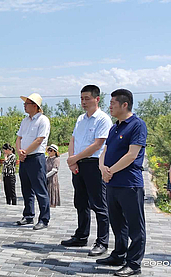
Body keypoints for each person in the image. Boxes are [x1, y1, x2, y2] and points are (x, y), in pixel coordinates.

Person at [96, 89, 147, 277]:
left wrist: (110, 171)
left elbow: (132, 155)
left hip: (129, 183)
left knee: (135, 225)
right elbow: (105, 151)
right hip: (112, 183)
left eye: (112, 103)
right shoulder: (114, 127)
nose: (110, 106)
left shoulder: (137, 125)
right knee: (117, 222)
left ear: (124, 104)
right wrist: (103, 168)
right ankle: (119, 254)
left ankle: (133, 264)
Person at [62, 85, 112, 257]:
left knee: (99, 204)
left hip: (94, 164)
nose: (84, 102)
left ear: (97, 99)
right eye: (82, 98)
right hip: (78, 165)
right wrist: (72, 161)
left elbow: (98, 145)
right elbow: (73, 139)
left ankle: (102, 241)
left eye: (87, 98)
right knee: (80, 202)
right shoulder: (80, 119)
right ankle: (81, 235)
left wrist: (74, 158)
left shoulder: (103, 119)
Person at [15, 93, 51, 231]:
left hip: (36, 158)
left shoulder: (43, 120)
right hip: (24, 158)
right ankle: (28, 214)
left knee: (40, 189)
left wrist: (25, 152)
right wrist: (19, 151)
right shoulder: (25, 121)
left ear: (35, 106)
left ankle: (44, 218)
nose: (24, 106)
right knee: (26, 188)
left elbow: (39, 140)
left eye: (27, 103)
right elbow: (19, 137)